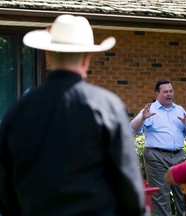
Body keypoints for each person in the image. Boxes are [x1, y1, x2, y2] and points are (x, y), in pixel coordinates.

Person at [0, 14, 146, 216]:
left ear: (48, 54)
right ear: (87, 58)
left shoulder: (19, 110)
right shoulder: (107, 107)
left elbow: (4, 183)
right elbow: (129, 185)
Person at [130, 80, 186, 216]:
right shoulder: (150, 110)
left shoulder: (179, 109)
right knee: (161, 196)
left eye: (170, 91)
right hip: (156, 157)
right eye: (165, 91)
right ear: (157, 94)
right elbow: (133, 128)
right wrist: (142, 118)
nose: (169, 94)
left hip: (179, 157)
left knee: (183, 194)